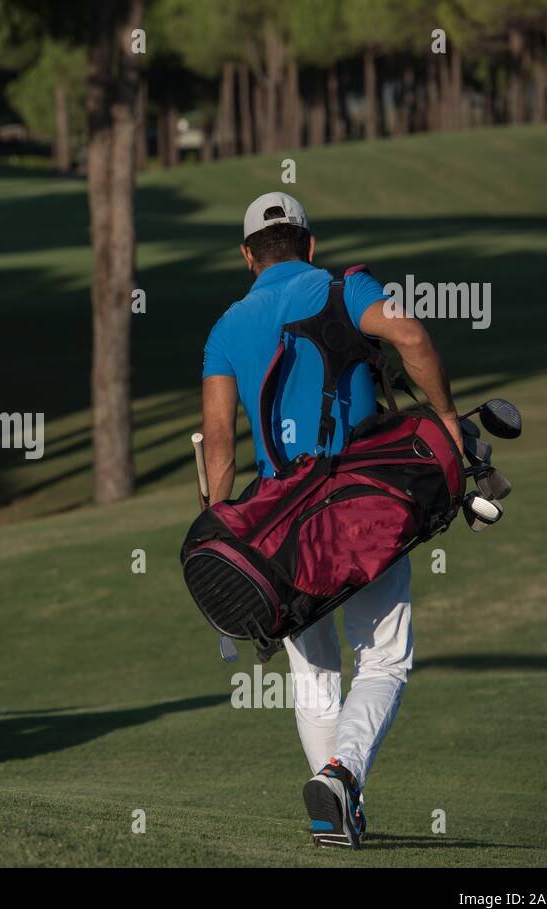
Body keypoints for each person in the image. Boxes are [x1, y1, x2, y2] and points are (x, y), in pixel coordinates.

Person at [199, 191, 463, 849]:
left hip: (280, 529)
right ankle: (342, 776)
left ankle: (334, 809)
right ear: (309, 245)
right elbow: (407, 333)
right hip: (363, 504)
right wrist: (450, 420)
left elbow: (219, 441)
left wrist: (220, 524)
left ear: (247, 257)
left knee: (315, 678)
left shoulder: (227, 324)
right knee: (383, 660)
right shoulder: (346, 286)